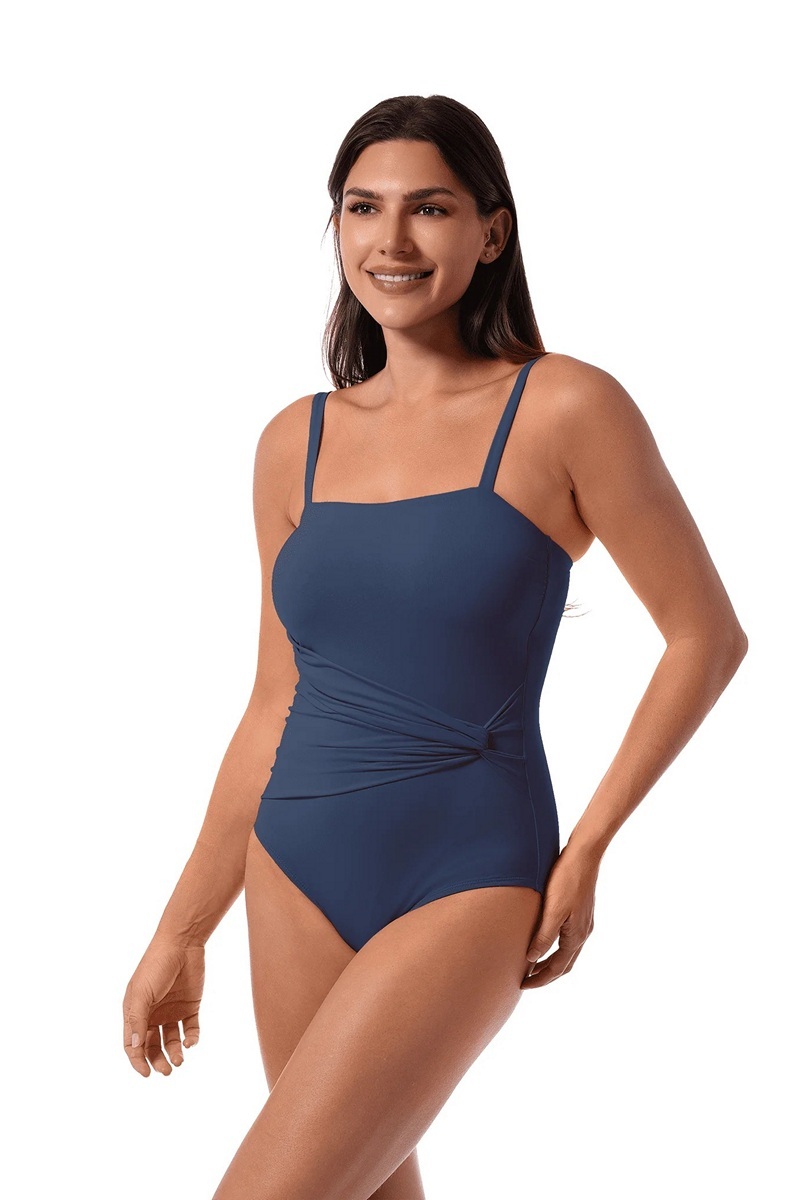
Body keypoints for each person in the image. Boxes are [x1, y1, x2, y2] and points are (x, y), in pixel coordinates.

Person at [122, 95, 748, 1199]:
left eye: (430, 208)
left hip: (468, 868)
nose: (392, 240)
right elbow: (273, 702)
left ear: (490, 232)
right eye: (363, 208)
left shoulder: (564, 407)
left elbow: (705, 636)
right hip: (293, 863)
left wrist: (588, 849)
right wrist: (182, 929)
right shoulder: (294, 442)